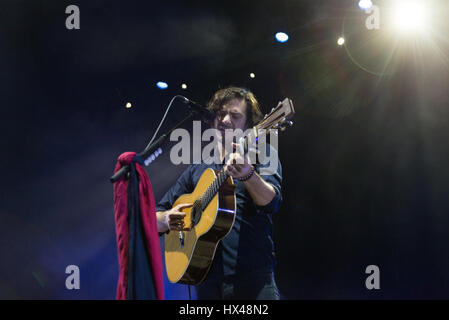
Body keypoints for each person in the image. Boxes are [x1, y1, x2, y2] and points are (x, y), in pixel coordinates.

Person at [156, 87, 282, 299]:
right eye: (220, 113)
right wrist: (167, 218)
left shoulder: (263, 155)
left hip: (254, 283)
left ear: (249, 125)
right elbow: (153, 218)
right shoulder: (197, 168)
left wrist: (248, 175)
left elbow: (271, 203)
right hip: (206, 284)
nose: (224, 120)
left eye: (234, 116)